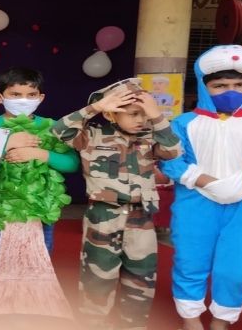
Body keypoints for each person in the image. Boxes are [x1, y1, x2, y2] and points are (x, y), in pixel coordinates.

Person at [51, 78, 181, 329]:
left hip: (141, 216)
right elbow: (59, 130)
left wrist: (156, 115)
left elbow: (174, 150)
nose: (140, 120)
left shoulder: (149, 137)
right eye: (133, 114)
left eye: (143, 114)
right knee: (97, 276)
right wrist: (97, 107)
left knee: (142, 276)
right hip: (103, 216)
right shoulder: (91, 136)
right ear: (111, 114)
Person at [159, 45, 242, 330]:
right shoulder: (184, 123)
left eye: (239, 85)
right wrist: (207, 181)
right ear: (204, 86)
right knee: (190, 261)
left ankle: (221, 322)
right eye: (220, 85)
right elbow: (170, 162)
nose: (231, 91)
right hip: (195, 202)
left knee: (238, 269)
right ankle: (191, 319)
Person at [0, 67, 79, 304]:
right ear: (0, 98)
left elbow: (72, 163)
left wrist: (40, 154)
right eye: (15, 94)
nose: (24, 100)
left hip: (38, 215)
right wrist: (5, 143)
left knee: (35, 267)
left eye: (31, 95)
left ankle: (24, 311)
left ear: (41, 97)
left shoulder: (52, 127)